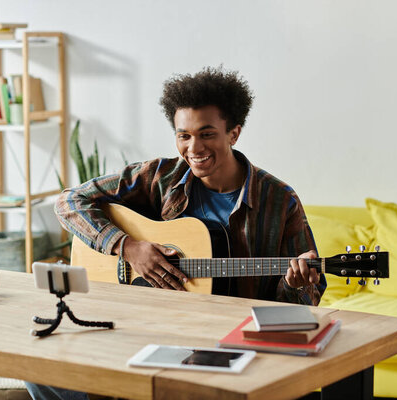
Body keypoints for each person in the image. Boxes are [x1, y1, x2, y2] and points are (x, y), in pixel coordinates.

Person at [26, 67, 326, 400]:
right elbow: (70, 202)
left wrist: (295, 283)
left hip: (225, 341)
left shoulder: (278, 200)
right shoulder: (159, 176)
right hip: (148, 325)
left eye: (207, 133)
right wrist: (129, 248)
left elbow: (304, 304)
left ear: (234, 133)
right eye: (184, 135)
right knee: (38, 369)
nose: (194, 147)